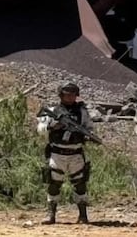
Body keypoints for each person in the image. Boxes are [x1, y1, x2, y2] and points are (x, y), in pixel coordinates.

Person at [36, 82, 94, 225]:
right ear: (61, 95)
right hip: (57, 153)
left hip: (76, 153)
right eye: (67, 94)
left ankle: (83, 216)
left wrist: (88, 136)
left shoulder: (82, 112)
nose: (70, 97)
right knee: (54, 183)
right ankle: (51, 215)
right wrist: (54, 126)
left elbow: (89, 128)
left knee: (80, 184)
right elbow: (40, 129)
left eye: (73, 94)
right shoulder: (52, 111)